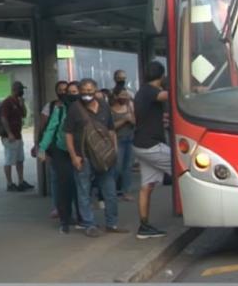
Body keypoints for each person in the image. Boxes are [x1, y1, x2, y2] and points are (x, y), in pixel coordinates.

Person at [63, 78, 128, 237]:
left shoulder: (104, 106)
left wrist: (114, 150)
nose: (87, 94)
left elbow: (111, 130)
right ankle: (89, 224)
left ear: (96, 89)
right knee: (84, 191)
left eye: (90, 90)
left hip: (105, 157)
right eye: (84, 91)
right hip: (83, 157)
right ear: (80, 91)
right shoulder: (75, 109)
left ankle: (111, 223)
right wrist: (73, 156)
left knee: (110, 191)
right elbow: (68, 134)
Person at [132, 61, 171, 239]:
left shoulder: (142, 91)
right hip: (151, 145)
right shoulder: (149, 90)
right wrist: (190, 91)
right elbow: (167, 96)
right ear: (161, 76)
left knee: (146, 187)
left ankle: (144, 226)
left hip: (141, 145)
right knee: (184, 168)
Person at [38, 81, 82, 234]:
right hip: (61, 150)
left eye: (73, 91)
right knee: (65, 185)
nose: (69, 94)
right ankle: (65, 219)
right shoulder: (59, 109)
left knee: (81, 185)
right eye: (66, 91)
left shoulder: (85, 108)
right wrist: (42, 148)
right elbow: (50, 129)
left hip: (81, 151)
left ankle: (83, 217)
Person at [36, 80, 68, 218]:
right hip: (56, 149)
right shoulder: (52, 107)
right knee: (56, 178)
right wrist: (40, 146)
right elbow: (45, 128)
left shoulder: (76, 107)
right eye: (60, 89)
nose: (63, 92)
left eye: (65, 89)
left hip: (73, 149)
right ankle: (57, 207)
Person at [0, 81, 34, 192]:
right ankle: (9, 183)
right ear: (15, 89)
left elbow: (23, 114)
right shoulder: (7, 102)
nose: (22, 91)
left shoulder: (18, 101)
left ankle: (21, 181)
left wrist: (22, 103)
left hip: (18, 135)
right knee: (9, 160)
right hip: (9, 136)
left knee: (20, 159)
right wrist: (9, 133)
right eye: (21, 89)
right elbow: (4, 118)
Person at [110, 88, 136, 201]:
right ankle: (111, 191)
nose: (124, 97)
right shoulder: (111, 110)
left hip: (130, 139)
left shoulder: (129, 107)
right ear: (115, 96)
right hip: (118, 140)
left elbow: (135, 122)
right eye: (122, 95)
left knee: (128, 167)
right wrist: (124, 120)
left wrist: (132, 119)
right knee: (117, 167)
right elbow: (110, 127)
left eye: (126, 95)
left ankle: (126, 192)